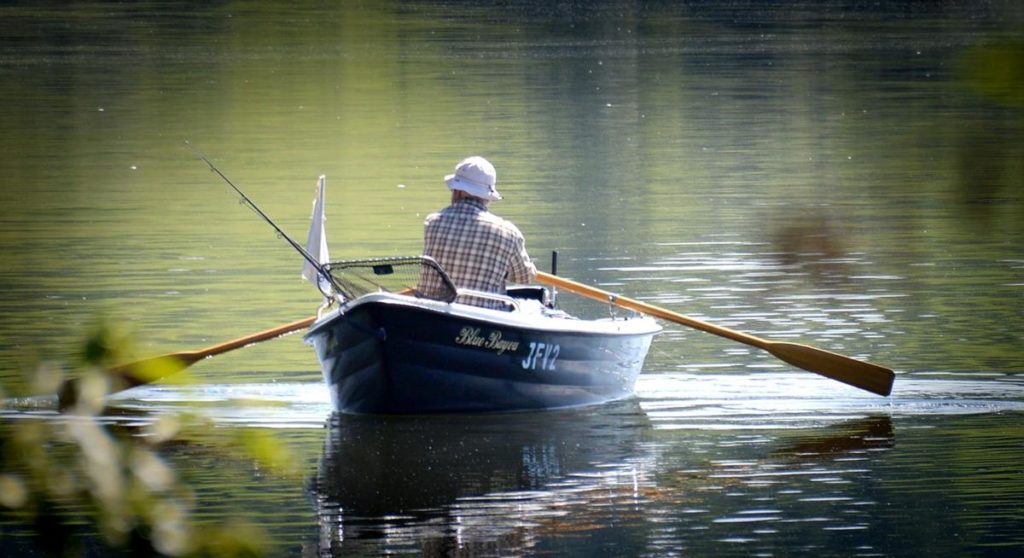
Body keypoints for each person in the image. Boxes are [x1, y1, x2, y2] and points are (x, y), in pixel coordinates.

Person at [419, 156, 537, 309]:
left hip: (434, 313)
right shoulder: (509, 233)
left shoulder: (432, 222)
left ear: (457, 191)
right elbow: (524, 277)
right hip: (484, 318)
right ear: (487, 196)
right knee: (534, 307)